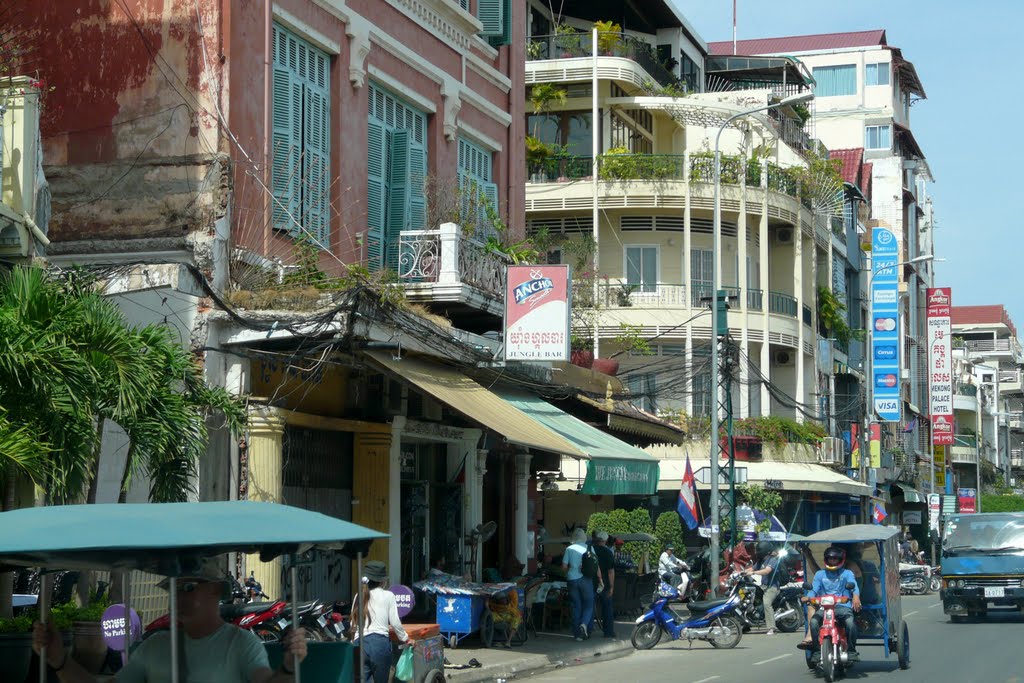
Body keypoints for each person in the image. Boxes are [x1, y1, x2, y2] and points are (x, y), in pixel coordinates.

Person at [33, 556, 307, 682]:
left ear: (214, 590)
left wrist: (288, 669)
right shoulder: (155, 646)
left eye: (188, 588)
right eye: (174, 589)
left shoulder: (241, 644)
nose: (178, 598)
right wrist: (60, 661)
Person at [351, 560, 414, 683]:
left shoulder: (358, 595)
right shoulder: (388, 595)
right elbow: (395, 623)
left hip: (359, 645)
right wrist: (406, 639)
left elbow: (352, 624)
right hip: (379, 645)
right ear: (382, 581)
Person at [798, 545, 862, 662]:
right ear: (826, 559)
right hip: (825, 607)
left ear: (840, 560)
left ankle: (852, 651)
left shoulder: (847, 573)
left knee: (850, 623)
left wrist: (856, 597)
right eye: (830, 559)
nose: (832, 561)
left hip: (843, 607)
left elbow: (854, 586)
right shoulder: (820, 574)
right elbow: (814, 589)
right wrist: (808, 597)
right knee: (813, 622)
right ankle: (817, 651)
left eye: (835, 559)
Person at [562, 528, 597, 641]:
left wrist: (570, 571)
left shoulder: (569, 549)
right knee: (589, 604)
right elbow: (596, 564)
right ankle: (584, 624)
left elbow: (564, 567)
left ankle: (577, 634)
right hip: (586, 579)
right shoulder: (589, 548)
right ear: (584, 537)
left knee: (576, 606)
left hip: (572, 579)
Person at [745, 541, 783, 635]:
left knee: (767, 603)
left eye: (759, 550)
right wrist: (741, 572)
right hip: (764, 586)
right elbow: (752, 568)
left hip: (772, 587)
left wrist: (753, 573)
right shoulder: (761, 560)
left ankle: (771, 628)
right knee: (749, 598)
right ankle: (746, 624)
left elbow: (767, 571)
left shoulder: (773, 560)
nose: (757, 552)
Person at [592, 531, 616, 638]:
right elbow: (611, 571)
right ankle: (608, 632)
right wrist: (611, 586)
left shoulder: (590, 550)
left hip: (591, 581)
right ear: (605, 541)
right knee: (607, 608)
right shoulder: (608, 552)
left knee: (589, 607)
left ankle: (588, 630)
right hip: (605, 582)